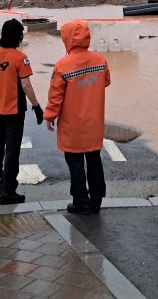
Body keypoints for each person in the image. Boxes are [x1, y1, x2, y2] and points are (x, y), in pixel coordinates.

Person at [44, 20, 110, 215]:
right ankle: (96, 201)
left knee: (75, 163)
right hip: (94, 123)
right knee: (94, 160)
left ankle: (80, 202)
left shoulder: (62, 65)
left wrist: (49, 116)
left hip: (72, 125)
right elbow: (106, 81)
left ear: (67, 38)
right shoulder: (100, 60)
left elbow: (55, 96)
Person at [0, 19, 44, 205]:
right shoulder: (20, 58)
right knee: (12, 150)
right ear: (19, 36)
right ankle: (8, 191)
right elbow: (26, 86)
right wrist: (37, 107)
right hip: (14, 112)